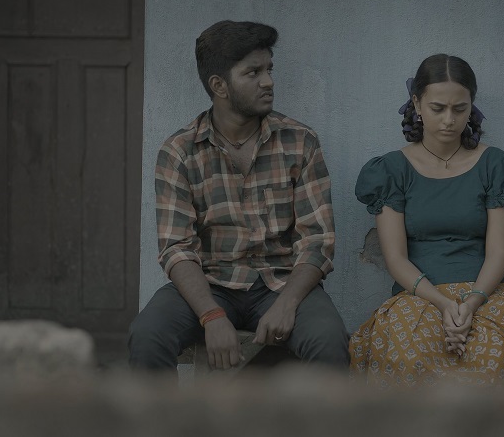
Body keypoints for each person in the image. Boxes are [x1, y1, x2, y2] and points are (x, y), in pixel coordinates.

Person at [129, 20, 349, 371]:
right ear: (219, 85)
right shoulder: (180, 151)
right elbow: (177, 248)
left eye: (269, 69)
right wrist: (211, 315)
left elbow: (318, 241)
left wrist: (287, 304)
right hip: (211, 284)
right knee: (147, 336)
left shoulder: (300, 141)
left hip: (282, 282)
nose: (268, 81)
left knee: (329, 340)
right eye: (253, 72)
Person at [350, 54, 504, 387]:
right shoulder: (391, 171)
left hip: (487, 292)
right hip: (419, 294)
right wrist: (444, 303)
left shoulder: (496, 167)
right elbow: (396, 258)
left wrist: (471, 304)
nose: (449, 120)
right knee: (407, 357)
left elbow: (498, 254)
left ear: (471, 106)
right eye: (438, 108)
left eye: (459, 109)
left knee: (494, 360)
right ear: (417, 104)